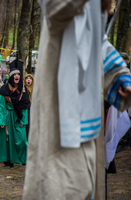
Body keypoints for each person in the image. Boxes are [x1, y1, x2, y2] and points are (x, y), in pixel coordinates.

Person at [23, 1, 131, 199]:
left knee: (87, 185)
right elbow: (55, 9)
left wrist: (119, 77)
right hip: (60, 121)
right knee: (61, 187)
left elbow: (99, 42)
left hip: (89, 120)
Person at [0, 68, 30, 167]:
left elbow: (25, 106)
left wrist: (23, 120)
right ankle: (8, 160)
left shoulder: (23, 89)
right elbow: (1, 105)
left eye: (18, 74)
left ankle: (23, 158)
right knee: (8, 139)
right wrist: (2, 120)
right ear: (11, 77)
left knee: (22, 139)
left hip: (18, 116)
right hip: (8, 115)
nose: (17, 76)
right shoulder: (4, 89)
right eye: (14, 74)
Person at [24, 74, 34, 139]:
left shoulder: (35, 89)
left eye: (30, 78)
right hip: (25, 112)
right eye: (27, 78)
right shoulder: (22, 89)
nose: (28, 79)